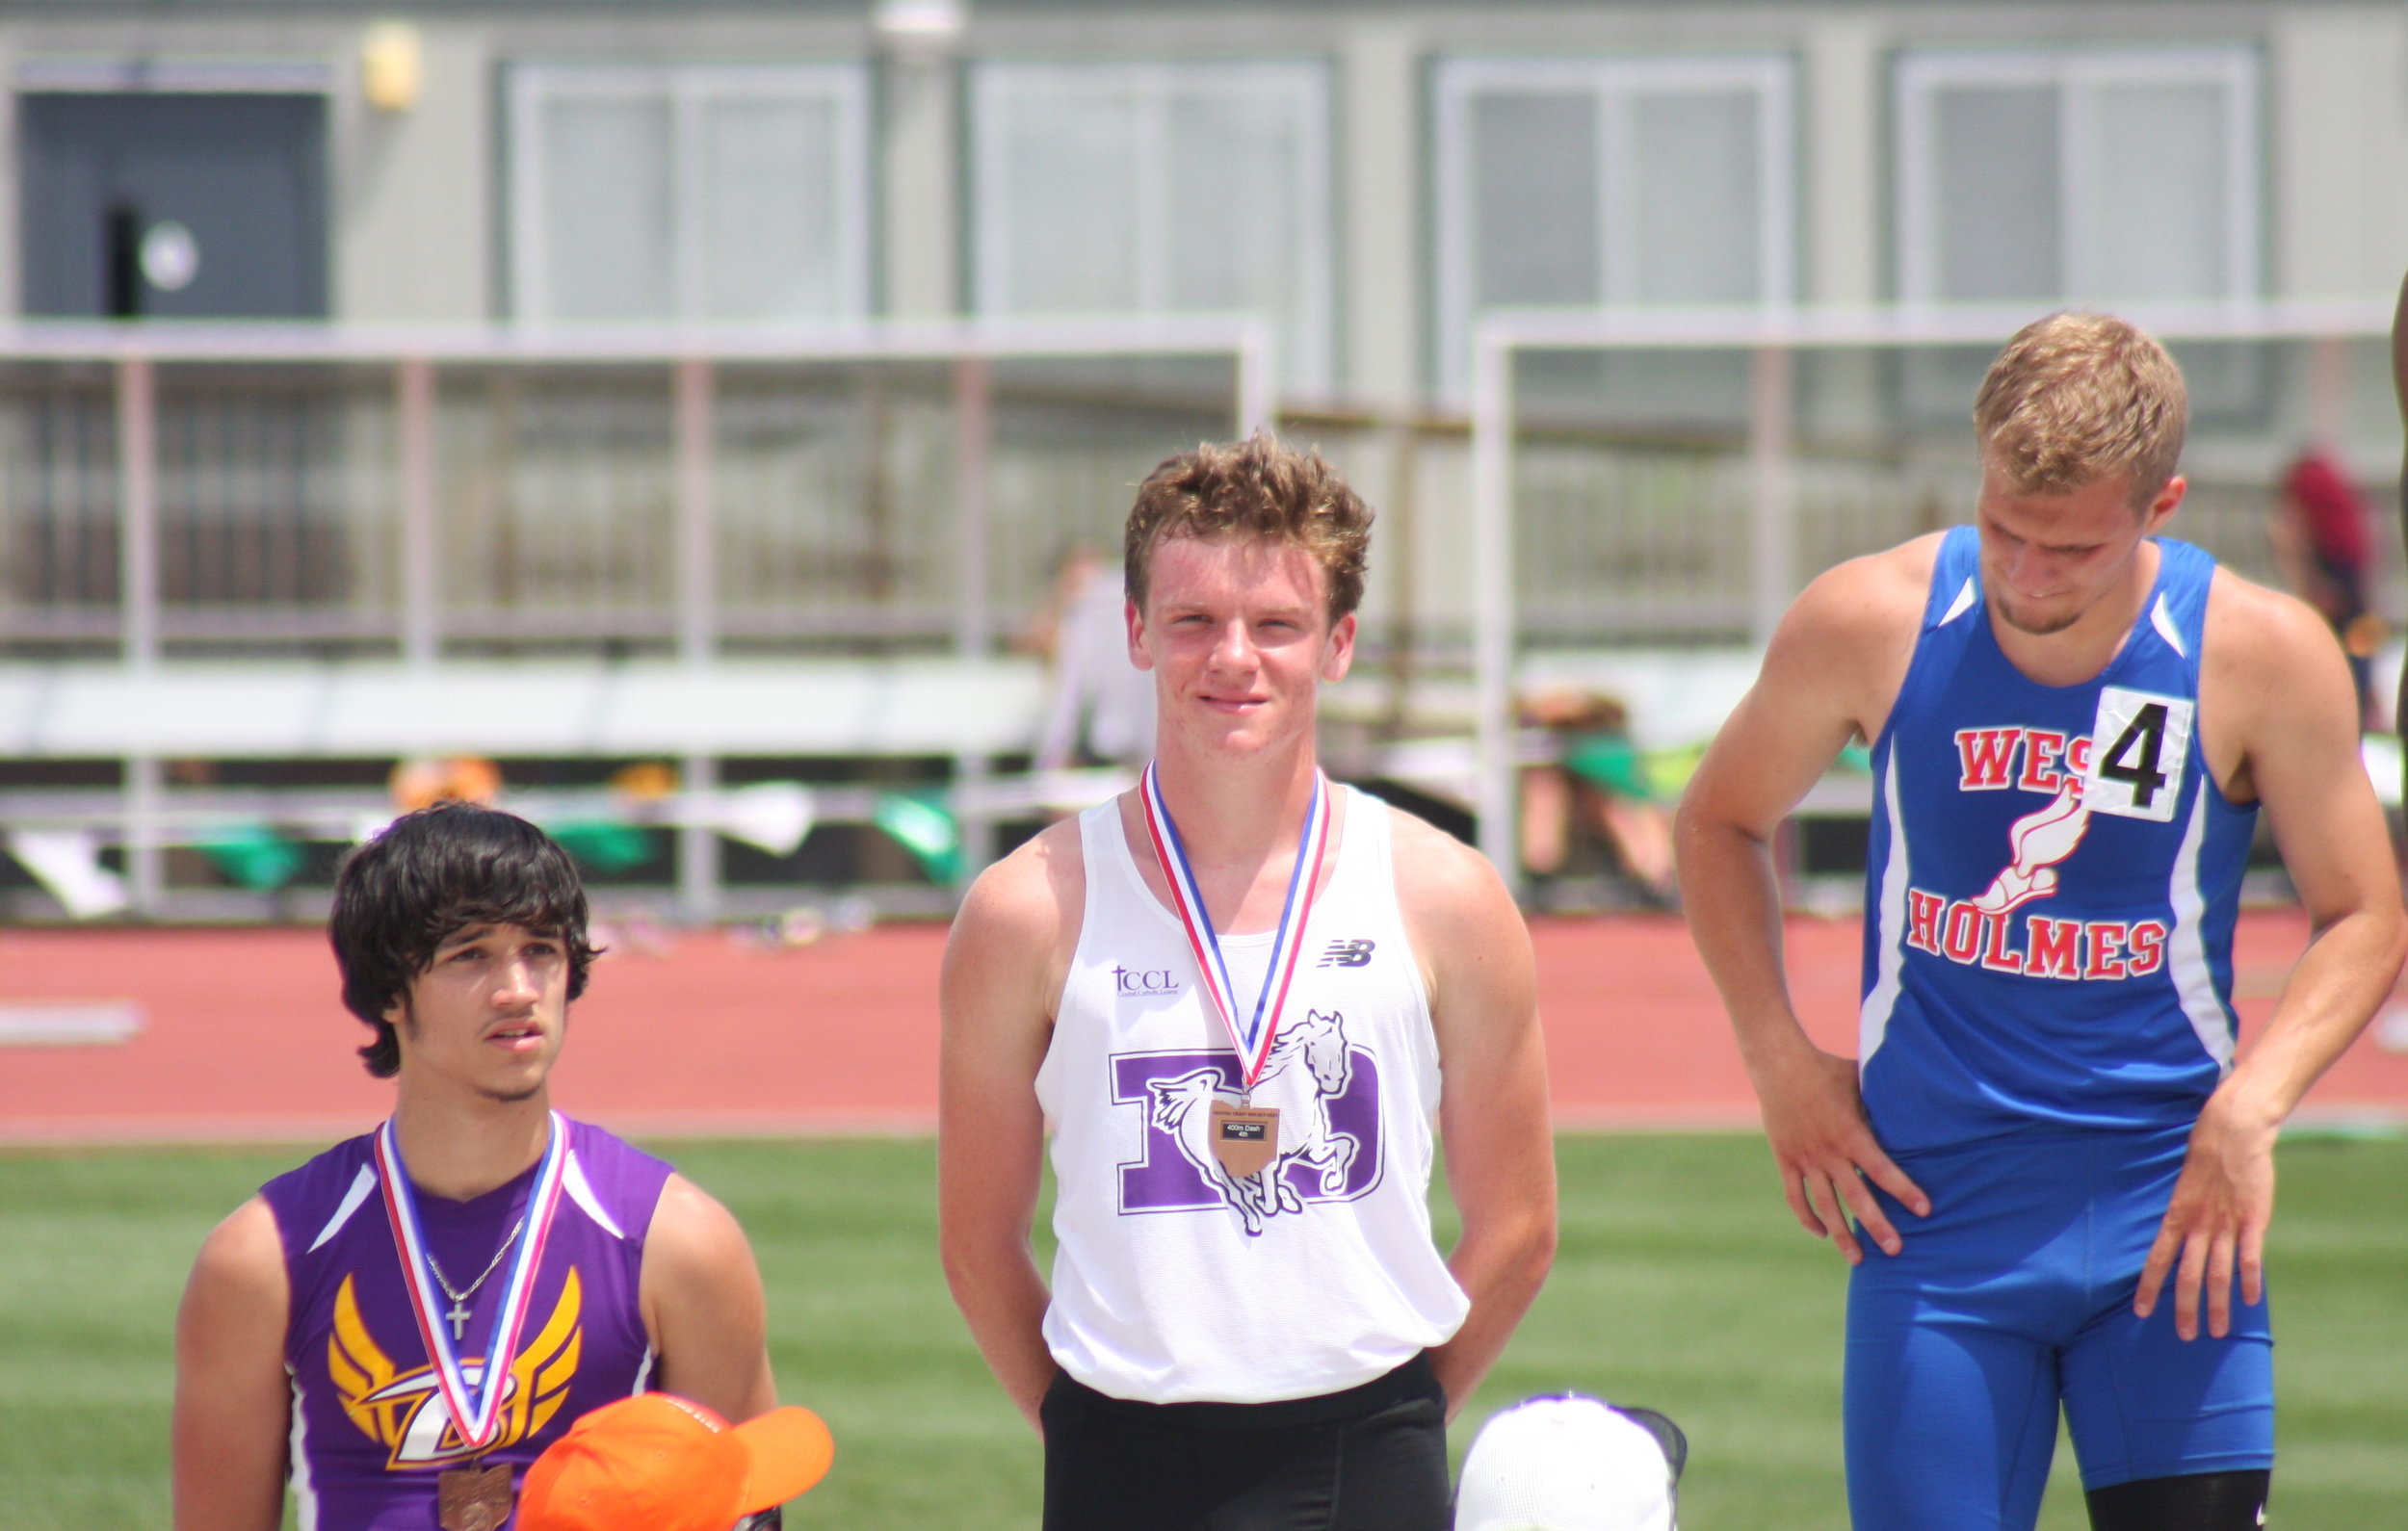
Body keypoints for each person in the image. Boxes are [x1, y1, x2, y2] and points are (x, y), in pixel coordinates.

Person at [1675, 312, 2406, 1531]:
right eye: (2004, 529)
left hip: (2173, 1221)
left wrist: (2253, 1106)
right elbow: (1715, 823)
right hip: (1937, 1226)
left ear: (2160, 505)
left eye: (2070, 549)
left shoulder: (2257, 651)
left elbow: (2364, 913)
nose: (2026, 574)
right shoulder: (1872, 619)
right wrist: (1777, 1059)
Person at [939, 435, 1557, 1531]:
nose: (1234, 657)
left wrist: (1403, 1419)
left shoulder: (1445, 894)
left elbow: (1516, 1224)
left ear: (1339, 643)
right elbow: (979, 1242)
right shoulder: (1022, 908)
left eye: (1276, 624)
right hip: (1116, 1455)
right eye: (1192, 622)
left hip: (1366, 1454)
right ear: (1134, 631)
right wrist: (1094, 1434)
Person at [172, 803, 782, 1531]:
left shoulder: (679, 1243)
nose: (518, 989)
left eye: (542, 950)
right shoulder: (265, 1258)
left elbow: (745, 1514)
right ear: (390, 992)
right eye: (471, 955)